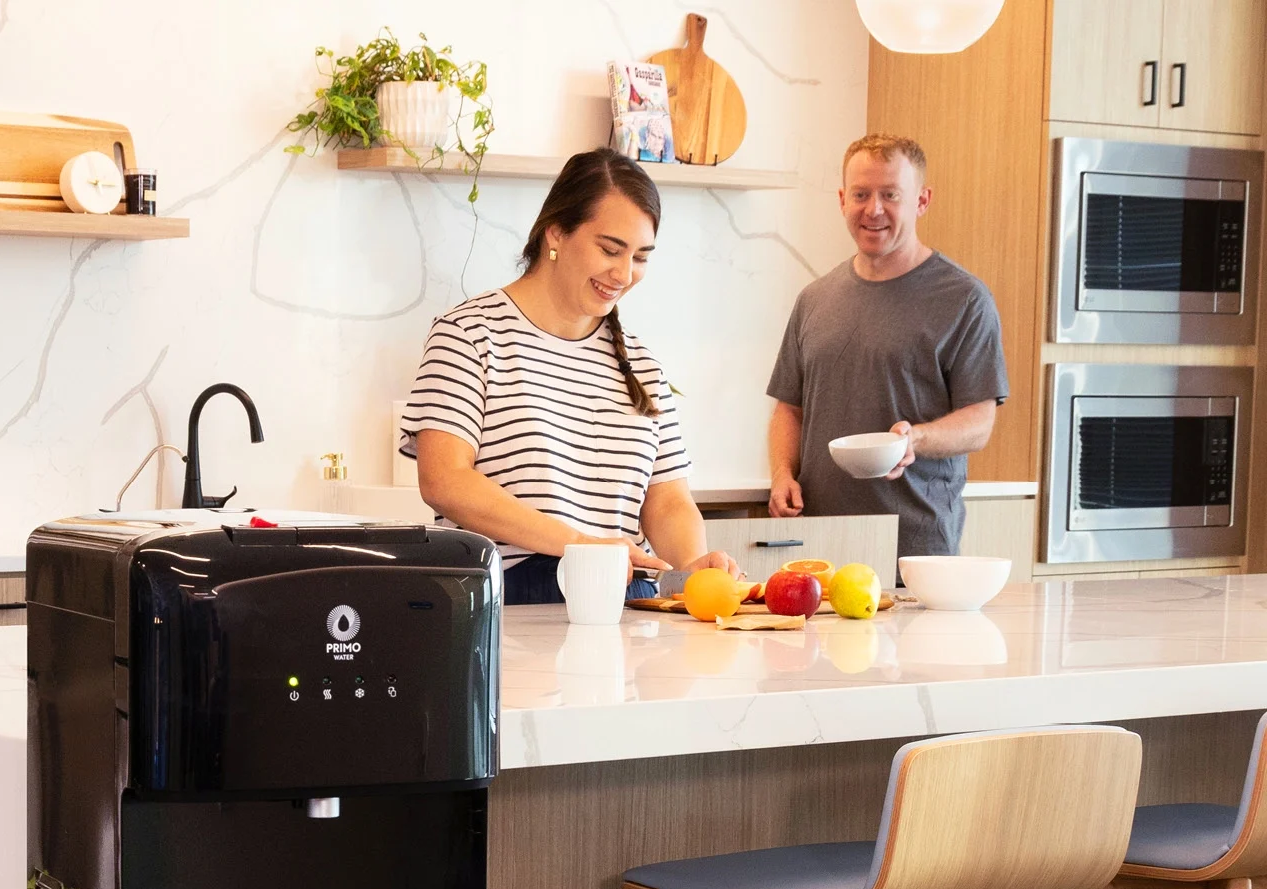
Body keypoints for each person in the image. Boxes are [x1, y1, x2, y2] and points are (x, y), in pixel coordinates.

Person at [400, 150, 738, 606]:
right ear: (556, 231)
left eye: (640, 257)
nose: (624, 274)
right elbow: (444, 480)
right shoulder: (469, 334)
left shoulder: (641, 363)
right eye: (610, 249)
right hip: (513, 593)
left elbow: (668, 500)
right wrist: (580, 546)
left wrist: (693, 565)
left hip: (628, 596)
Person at [767, 133, 1008, 558]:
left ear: (922, 201)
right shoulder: (814, 299)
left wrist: (916, 438)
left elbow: (979, 421)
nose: (873, 209)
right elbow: (790, 409)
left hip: (915, 547)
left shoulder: (964, 299)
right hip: (817, 543)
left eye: (890, 195)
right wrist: (782, 474)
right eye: (861, 194)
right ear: (842, 199)